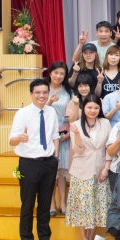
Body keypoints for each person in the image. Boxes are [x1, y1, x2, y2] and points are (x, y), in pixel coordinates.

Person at [8, 79, 61, 240]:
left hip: (48, 162)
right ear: (31, 94)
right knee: (28, 205)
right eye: (37, 92)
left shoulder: (51, 111)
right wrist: (20, 138)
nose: (41, 95)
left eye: (45, 92)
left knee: (45, 204)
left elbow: (55, 136)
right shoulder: (22, 113)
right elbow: (11, 140)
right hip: (29, 162)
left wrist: (55, 158)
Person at [66, 94, 111, 240]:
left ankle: (92, 237)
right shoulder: (76, 124)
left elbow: (109, 147)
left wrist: (106, 168)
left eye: (96, 107)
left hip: (100, 170)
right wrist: (77, 133)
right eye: (89, 107)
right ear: (83, 108)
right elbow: (78, 150)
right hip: (81, 170)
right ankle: (84, 239)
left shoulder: (105, 123)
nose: (93, 110)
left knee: (98, 206)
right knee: (82, 207)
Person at [45, 62, 73, 216]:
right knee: (51, 171)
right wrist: (50, 101)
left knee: (62, 170)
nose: (58, 76)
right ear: (50, 73)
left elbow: (72, 114)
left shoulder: (68, 91)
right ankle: (51, 203)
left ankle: (63, 202)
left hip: (64, 134)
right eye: (56, 72)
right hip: (48, 134)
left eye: (62, 73)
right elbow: (40, 111)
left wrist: (69, 133)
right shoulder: (43, 89)